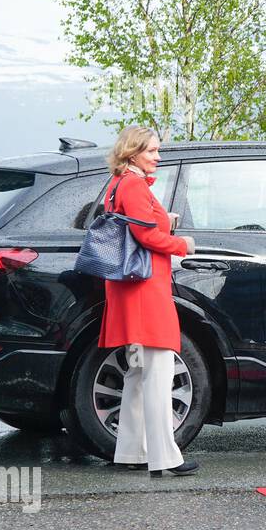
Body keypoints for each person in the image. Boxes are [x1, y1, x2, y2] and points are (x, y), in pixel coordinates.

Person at [99, 126, 198, 478]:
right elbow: (145, 235)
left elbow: (136, 226)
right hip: (146, 290)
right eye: (152, 151)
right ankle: (166, 457)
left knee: (139, 372)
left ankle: (131, 450)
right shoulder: (135, 184)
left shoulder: (117, 184)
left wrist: (162, 221)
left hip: (129, 289)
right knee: (158, 371)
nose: (158, 157)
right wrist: (182, 244)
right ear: (132, 153)